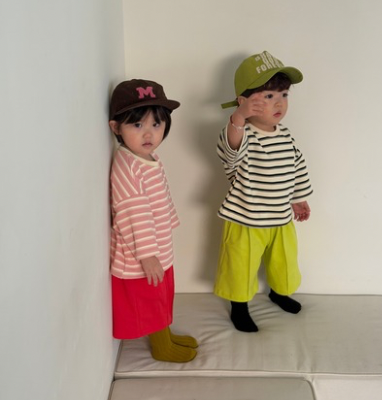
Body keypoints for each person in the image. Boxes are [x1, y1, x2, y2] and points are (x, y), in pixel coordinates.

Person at [214, 50, 313, 332]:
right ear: (244, 101)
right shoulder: (243, 134)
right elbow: (230, 152)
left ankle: (279, 293)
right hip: (246, 218)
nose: (279, 102)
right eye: (268, 96)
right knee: (240, 265)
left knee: (285, 262)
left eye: (283, 94)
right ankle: (239, 306)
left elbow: (297, 167)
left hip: (280, 218)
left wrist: (299, 198)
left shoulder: (285, 135)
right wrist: (238, 118)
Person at [108, 79, 197, 362]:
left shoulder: (147, 157)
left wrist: (168, 222)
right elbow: (133, 213)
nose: (149, 133)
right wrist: (147, 255)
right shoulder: (127, 166)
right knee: (151, 300)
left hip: (158, 246)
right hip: (142, 254)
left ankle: (165, 335)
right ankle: (162, 347)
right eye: (137, 125)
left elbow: (158, 197)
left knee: (162, 296)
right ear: (116, 127)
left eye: (156, 124)